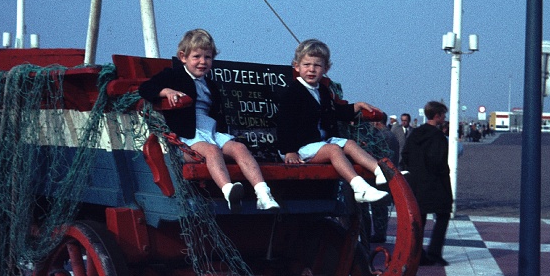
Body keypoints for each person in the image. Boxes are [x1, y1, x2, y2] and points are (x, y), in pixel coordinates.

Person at [139, 29, 280, 213]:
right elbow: (146, 88)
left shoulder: (209, 84)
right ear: (183, 57)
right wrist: (167, 92)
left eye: (208, 57)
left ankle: (263, 194)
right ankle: (229, 191)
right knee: (212, 151)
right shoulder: (174, 76)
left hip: (210, 132)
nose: (202, 62)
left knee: (239, 148)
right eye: (196, 56)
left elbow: (216, 114)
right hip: (188, 137)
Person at [275, 39, 389, 204]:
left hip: (319, 143)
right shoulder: (293, 93)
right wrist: (289, 151)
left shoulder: (321, 90)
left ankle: (379, 171)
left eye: (317, 65)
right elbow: (284, 124)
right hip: (299, 148)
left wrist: (355, 107)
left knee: (349, 144)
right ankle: (359, 187)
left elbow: (334, 111)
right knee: (334, 150)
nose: (311, 69)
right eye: (306, 65)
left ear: (326, 69)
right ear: (297, 66)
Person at [402, 100, 453, 266]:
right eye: (443, 114)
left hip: (417, 184)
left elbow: (405, 156)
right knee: (443, 215)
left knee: (419, 219)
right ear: (437, 115)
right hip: (436, 184)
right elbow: (439, 162)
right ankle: (434, 252)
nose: (444, 117)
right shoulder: (438, 136)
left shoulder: (415, 134)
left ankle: (417, 253)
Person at [362, 114, 398, 243]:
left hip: (380, 177)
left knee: (379, 208)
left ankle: (379, 234)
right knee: (380, 208)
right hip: (387, 176)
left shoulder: (381, 136)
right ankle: (380, 233)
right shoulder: (390, 135)